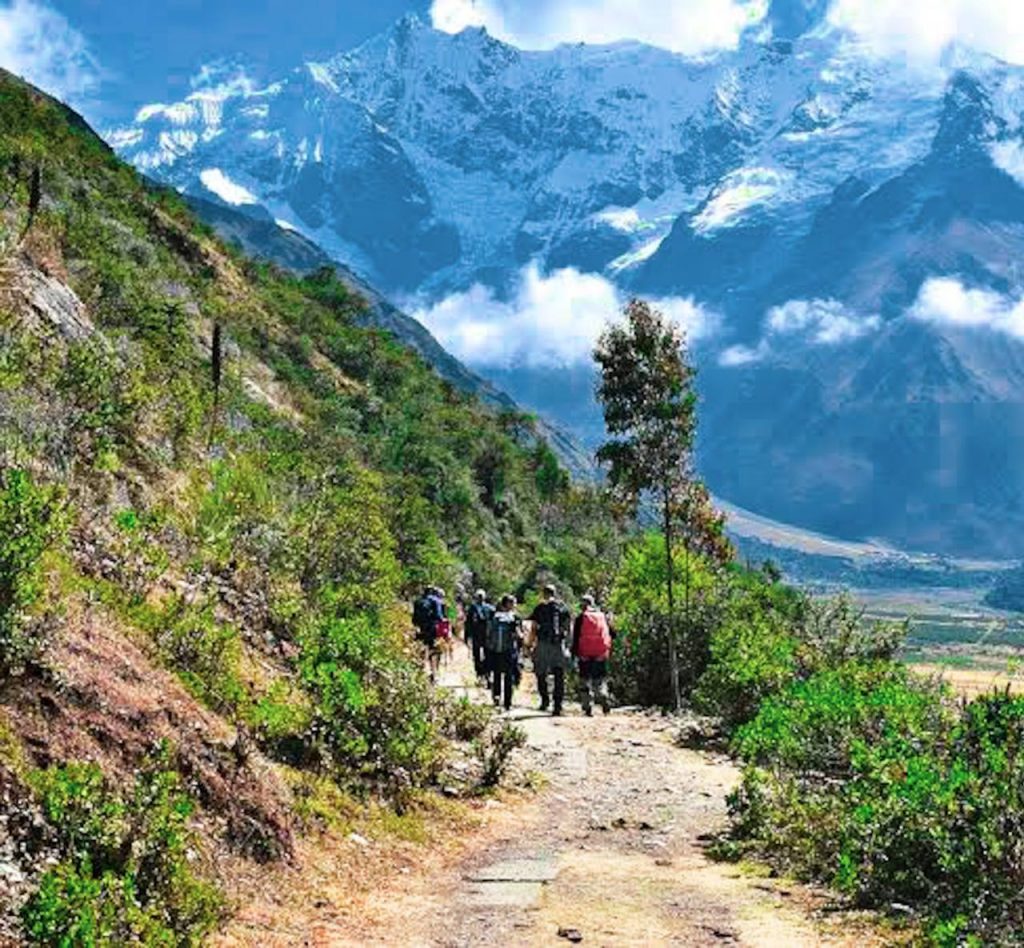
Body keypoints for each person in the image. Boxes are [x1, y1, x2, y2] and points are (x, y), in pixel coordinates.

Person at [529, 583, 572, 716]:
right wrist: (568, 645)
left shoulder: (539, 608)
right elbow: (568, 627)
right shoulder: (563, 607)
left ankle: (545, 701)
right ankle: (557, 706)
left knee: (541, 673)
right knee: (559, 675)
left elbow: (534, 627)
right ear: (555, 593)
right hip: (558, 645)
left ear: (544, 593)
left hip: (542, 644)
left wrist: (530, 644)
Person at [572, 594, 613, 716]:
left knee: (584, 681)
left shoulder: (580, 618)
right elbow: (613, 633)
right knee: (599, 681)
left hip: (584, 654)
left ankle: (587, 707)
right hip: (600, 654)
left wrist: (575, 653)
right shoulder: (602, 617)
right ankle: (603, 697)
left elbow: (575, 637)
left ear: (582, 605)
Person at [487, 594, 523, 711]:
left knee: (497, 675)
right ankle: (507, 703)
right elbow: (520, 636)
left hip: (495, 650)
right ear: (508, 604)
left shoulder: (494, 617)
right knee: (509, 677)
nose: (514, 605)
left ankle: (496, 697)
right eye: (513, 603)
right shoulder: (514, 618)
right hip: (510, 651)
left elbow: (488, 634)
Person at [412, 585, 446, 684]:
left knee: (421, 650)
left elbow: (414, 619)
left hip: (421, 630)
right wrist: (444, 630)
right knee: (435, 651)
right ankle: (433, 673)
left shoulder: (417, 601)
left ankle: (419, 671)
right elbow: (439, 617)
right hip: (433, 630)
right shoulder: (436, 601)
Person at [465, 589, 495, 685]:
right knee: (481, 656)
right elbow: (468, 623)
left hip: (482, 636)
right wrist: (467, 636)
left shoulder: (475, 608)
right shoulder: (489, 608)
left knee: (485, 656)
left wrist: (467, 636)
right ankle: (483, 674)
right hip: (482, 636)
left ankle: (484, 674)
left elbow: (468, 624)